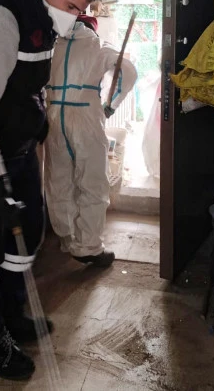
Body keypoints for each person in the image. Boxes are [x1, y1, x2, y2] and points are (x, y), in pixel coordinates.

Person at [0, 0, 101, 381]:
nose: (74, 19)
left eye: (81, 12)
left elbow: (27, 86)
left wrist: (36, 131)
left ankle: (12, 314)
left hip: (17, 152)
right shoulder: (3, 20)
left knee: (28, 233)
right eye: (72, 7)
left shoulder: (46, 21)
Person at [44, 15, 138, 268]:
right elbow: (129, 72)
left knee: (59, 179)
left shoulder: (53, 44)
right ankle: (89, 246)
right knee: (93, 181)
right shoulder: (98, 45)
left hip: (54, 113)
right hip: (86, 113)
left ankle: (66, 237)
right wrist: (112, 104)